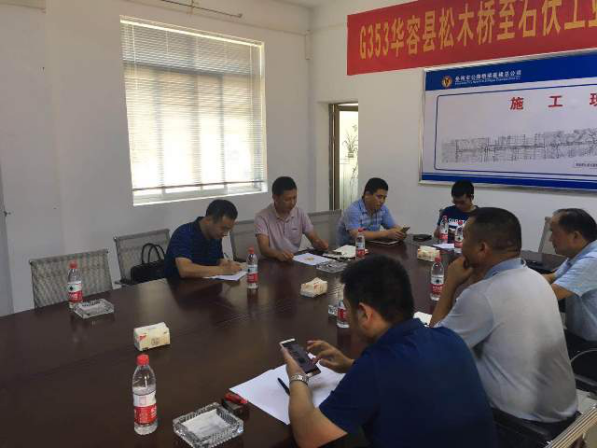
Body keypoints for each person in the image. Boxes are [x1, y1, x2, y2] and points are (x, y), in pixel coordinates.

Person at [281, 256, 498, 448]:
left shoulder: (375, 367)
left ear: (365, 314)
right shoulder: (449, 339)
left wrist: (298, 376)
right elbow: (409, 373)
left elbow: (308, 437)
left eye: (347, 308)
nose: (346, 316)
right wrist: (350, 365)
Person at [430, 208, 578, 446]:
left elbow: (433, 350)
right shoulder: (535, 279)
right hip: (566, 418)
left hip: (522, 429)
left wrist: (450, 284)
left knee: (430, 387)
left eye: (464, 238)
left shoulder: (482, 296)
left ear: (482, 248)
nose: (460, 244)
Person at [544, 208, 597, 355]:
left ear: (575, 236)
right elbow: (552, 277)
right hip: (578, 337)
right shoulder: (579, 254)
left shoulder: (592, 260)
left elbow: (550, 294)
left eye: (554, 233)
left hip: (591, 347)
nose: (550, 239)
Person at [255, 177, 328, 262]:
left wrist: (319, 244)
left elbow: (314, 239)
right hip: (272, 262)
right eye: (287, 199)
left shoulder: (300, 213)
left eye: (294, 198)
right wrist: (278, 254)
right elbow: (264, 248)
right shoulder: (262, 217)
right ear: (275, 198)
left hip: (294, 260)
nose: (292, 203)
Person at [164, 200, 242, 279]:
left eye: (228, 229)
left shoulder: (216, 236)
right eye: (223, 228)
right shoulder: (184, 233)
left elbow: (217, 260)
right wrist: (222, 270)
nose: (225, 234)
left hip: (206, 282)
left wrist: (225, 263)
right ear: (209, 220)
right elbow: (185, 269)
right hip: (178, 284)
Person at [337, 178, 407, 247]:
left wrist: (401, 233)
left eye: (384, 198)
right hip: (349, 249)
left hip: (369, 247)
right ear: (367, 195)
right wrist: (386, 233)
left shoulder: (382, 209)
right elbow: (357, 235)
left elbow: (393, 226)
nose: (382, 201)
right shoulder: (353, 210)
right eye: (379, 197)